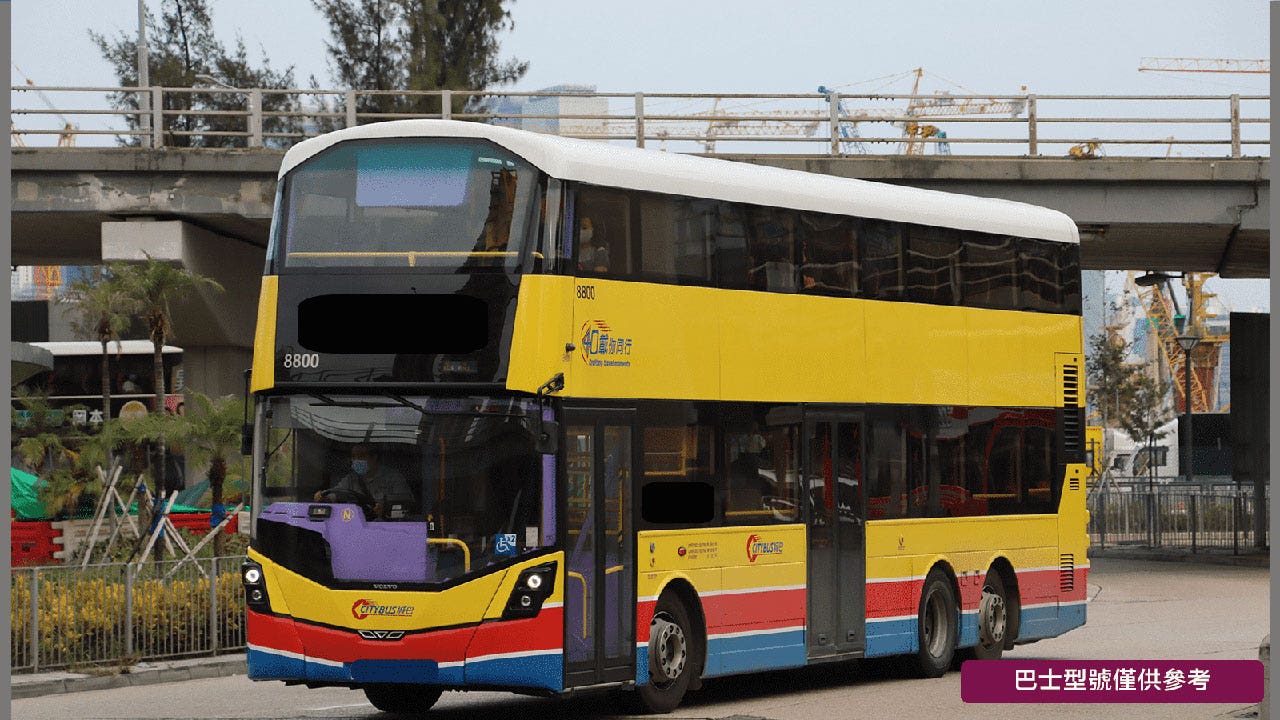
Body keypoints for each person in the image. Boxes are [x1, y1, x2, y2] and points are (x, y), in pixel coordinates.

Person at [314, 444, 415, 517]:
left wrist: (385, 510)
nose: (356, 460)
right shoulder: (351, 478)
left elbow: (406, 506)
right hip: (356, 526)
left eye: (361, 456)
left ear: (374, 458)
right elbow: (335, 494)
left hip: (386, 528)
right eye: (354, 457)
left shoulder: (393, 477)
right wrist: (322, 498)